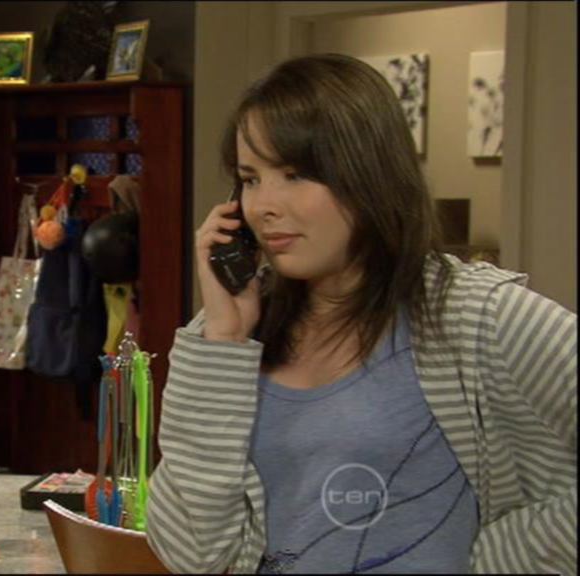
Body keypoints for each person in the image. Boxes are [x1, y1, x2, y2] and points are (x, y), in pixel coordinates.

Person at [146, 53, 576, 574]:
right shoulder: (229, 333)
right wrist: (223, 341)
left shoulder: (475, 315)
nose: (263, 206)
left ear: (369, 174)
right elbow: (192, 554)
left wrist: (503, 555)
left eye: (294, 174)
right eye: (251, 179)